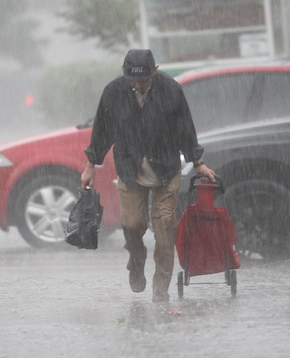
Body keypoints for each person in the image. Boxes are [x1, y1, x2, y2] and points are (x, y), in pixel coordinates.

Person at [81, 49, 216, 302]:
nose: (138, 85)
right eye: (133, 80)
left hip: (165, 169)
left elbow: (185, 129)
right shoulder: (114, 93)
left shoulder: (171, 90)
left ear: (155, 71)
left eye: (143, 80)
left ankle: (161, 286)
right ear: (125, 74)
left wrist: (198, 162)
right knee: (132, 225)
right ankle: (136, 262)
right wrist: (91, 165)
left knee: (165, 226)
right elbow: (101, 131)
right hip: (130, 170)